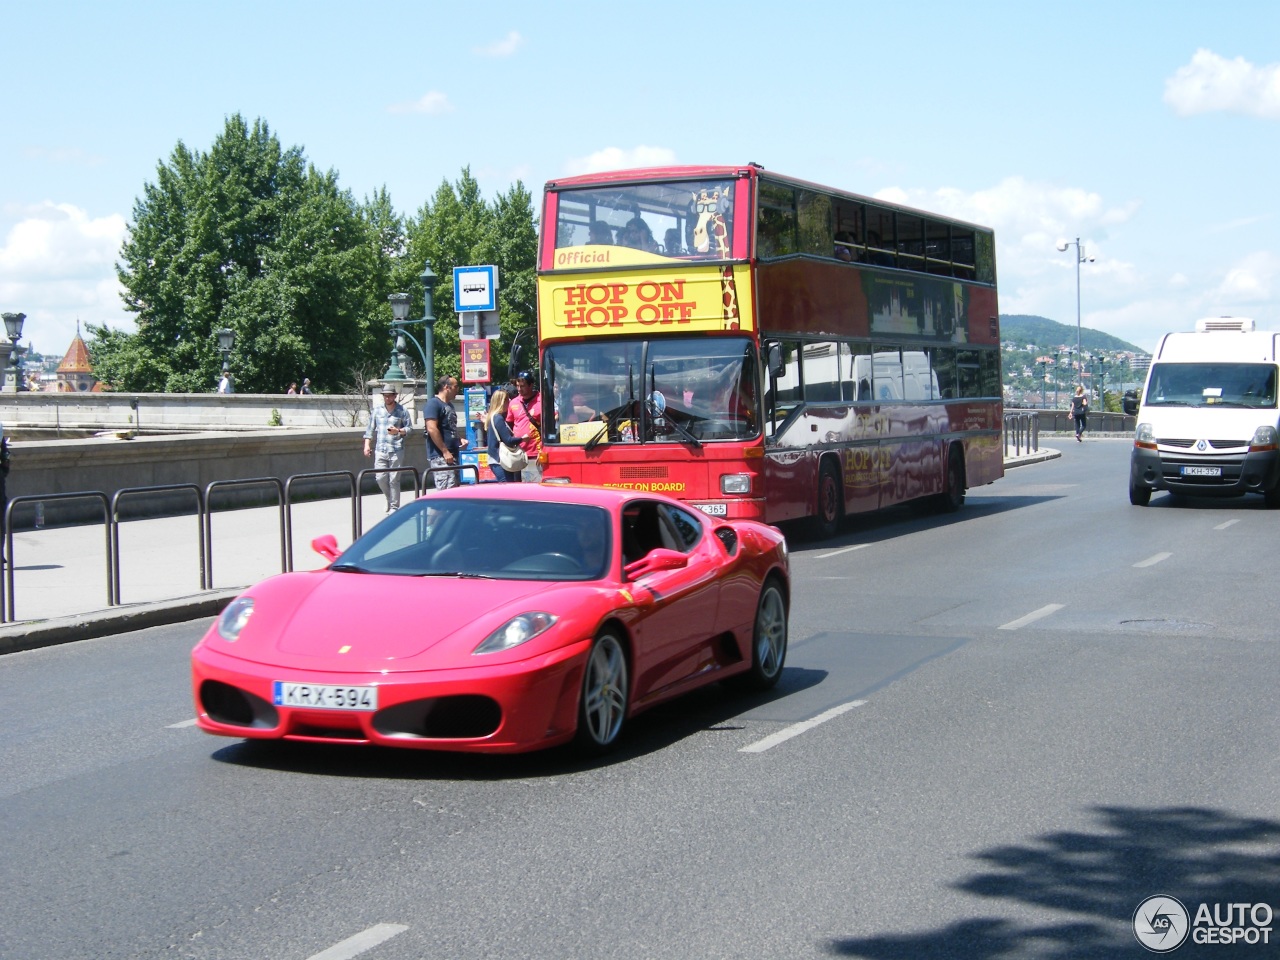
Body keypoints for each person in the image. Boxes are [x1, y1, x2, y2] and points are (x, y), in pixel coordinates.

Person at [363, 382, 413, 512]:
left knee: (394, 480)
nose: (387, 398)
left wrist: (399, 431)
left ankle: (394, 507)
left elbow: (410, 429)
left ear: (394, 396)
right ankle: (389, 499)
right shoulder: (377, 411)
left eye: (390, 396)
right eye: (385, 396)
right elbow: (369, 430)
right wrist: (367, 445)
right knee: (380, 477)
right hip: (381, 449)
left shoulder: (402, 410)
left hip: (396, 449)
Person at [424, 375, 467, 488]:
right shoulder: (433, 403)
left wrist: (459, 439)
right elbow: (432, 428)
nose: (457, 389)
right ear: (446, 387)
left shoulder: (449, 405)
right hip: (440, 457)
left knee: (454, 490)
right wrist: (445, 451)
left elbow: (449, 427)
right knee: (446, 491)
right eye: (456, 386)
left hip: (453, 455)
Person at [507, 370, 542, 482]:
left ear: (531, 385)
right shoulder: (514, 402)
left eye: (522, 386)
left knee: (535, 486)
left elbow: (553, 422)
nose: (519, 389)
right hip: (518, 453)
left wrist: (543, 448)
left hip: (536, 453)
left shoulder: (542, 400)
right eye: (517, 386)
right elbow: (509, 424)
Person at [485, 389, 525, 482]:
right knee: (507, 488)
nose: (510, 402)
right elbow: (508, 440)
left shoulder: (493, 417)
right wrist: (522, 439)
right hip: (500, 460)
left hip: (496, 460)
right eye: (507, 399)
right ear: (502, 401)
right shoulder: (498, 418)